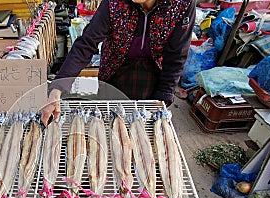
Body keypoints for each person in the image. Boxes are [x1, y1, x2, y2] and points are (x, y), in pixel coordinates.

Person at [41, 0, 196, 126]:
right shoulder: (114, 4)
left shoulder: (181, 5)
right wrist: (57, 88)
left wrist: (164, 95)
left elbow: (177, 55)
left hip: (154, 76)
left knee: (144, 131)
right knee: (108, 126)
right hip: (115, 71)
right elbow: (86, 44)